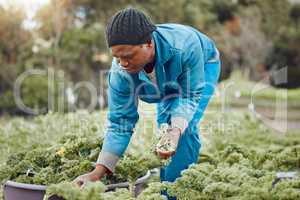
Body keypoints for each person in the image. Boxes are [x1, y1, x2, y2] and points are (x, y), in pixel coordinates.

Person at [74, 7, 221, 199]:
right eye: (117, 57)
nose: (123, 63)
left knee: (183, 130)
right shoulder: (120, 73)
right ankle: (165, 192)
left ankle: (177, 194)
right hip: (163, 80)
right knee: (165, 133)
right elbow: (120, 122)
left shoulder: (184, 46)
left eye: (128, 56)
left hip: (203, 63)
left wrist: (176, 129)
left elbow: (188, 95)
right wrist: (98, 172)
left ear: (149, 44)